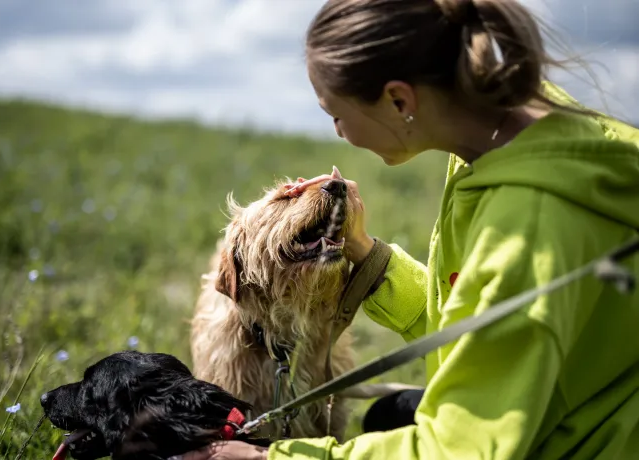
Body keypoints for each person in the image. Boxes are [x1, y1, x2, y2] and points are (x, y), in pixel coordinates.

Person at [183, 0, 639, 458]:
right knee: (388, 415)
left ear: (399, 100)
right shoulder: (508, 141)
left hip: (583, 443)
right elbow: (472, 320)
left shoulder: (529, 224)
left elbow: (462, 449)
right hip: (582, 408)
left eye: (335, 115)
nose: (338, 134)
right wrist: (367, 254)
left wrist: (271, 458)